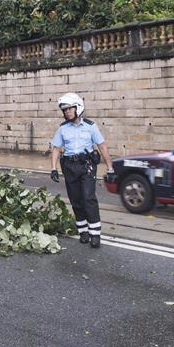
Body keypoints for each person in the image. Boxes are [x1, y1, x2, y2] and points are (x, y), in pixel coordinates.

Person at [50, 93, 114, 249]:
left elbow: (102, 146)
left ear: (77, 108)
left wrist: (110, 168)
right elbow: (57, 149)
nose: (66, 112)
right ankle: (83, 231)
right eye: (64, 110)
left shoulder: (90, 126)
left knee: (88, 198)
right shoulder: (62, 129)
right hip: (69, 167)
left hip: (87, 166)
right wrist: (53, 168)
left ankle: (95, 234)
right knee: (76, 200)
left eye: (69, 109)